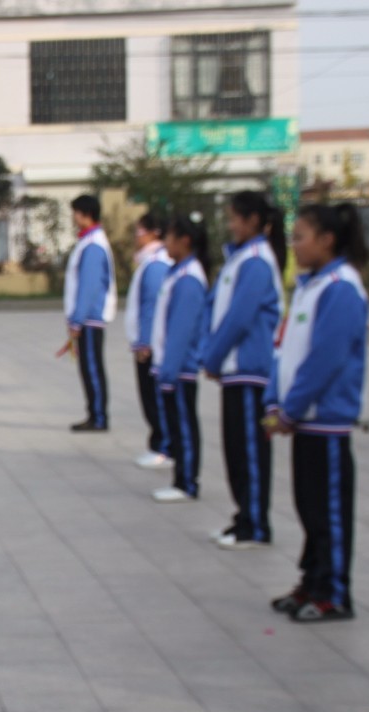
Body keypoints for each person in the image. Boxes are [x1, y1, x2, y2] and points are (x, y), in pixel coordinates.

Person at [265, 204, 369, 622]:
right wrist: (276, 402)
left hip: (324, 421)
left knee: (329, 512)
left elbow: (324, 359)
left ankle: (334, 591)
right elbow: (285, 350)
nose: (295, 245)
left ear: (327, 240)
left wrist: (290, 409)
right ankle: (312, 580)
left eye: (301, 236)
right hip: (303, 419)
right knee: (309, 508)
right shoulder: (309, 286)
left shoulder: (342, 287)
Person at [202, 190, 286, 549]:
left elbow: (238, 318)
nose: (231, 224)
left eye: (235, 217)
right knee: (235, 450)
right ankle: (243, 517)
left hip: (251, 369)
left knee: (250, 452)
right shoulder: (240, 259)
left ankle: (256, 523)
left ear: (253, 221)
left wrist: (212, 358)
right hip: (236, 370)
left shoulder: (256, 261)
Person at [150, 212, 210, 503]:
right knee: (177, 425)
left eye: (170, 238)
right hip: (172, 366)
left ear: (185, 241)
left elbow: (181, 331)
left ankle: (187, 482)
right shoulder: (177, 272)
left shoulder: (188, 279)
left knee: (184, 426)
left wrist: (169, 371)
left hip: (180, 369)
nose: (165, 244)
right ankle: (181, 478)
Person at [63, 193, 116, 432]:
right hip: (87, 319)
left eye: (76, 213)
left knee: (92, 367)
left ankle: (99, 416)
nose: (73, 218)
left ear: (86, 214)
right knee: (88, 367)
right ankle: (94, 413)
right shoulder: (88, 241)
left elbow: (89, 286)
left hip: (90, 320)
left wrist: (77, 319)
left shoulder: (94, 245)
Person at [125, 213, 174, 470]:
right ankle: (158, 444)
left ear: (155, 233)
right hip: (148, 343)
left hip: (151, 346)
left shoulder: (155, 264)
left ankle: (163, 447)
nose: (136, 237)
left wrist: (144, 342)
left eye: (139, 232)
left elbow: (151, 306)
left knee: (154, 398)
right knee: (149, 398)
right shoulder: (150, 262)